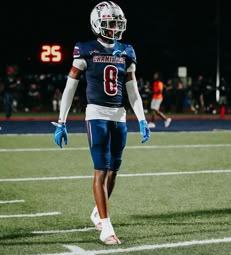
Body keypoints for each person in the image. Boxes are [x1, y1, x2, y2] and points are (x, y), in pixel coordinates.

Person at [52, 1, 150, 245]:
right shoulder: (85, 49)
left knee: (114, 169)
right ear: (97, 24)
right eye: (109, 24)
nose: (115, 28)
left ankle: (98, 212)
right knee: (101, 169)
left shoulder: (127, 50)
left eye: (118, 24)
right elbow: (70, 88)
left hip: (119, 116)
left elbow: (133, 89)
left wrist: (142, 119)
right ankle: (106, 228)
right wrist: (61, 121)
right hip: (96, 114)